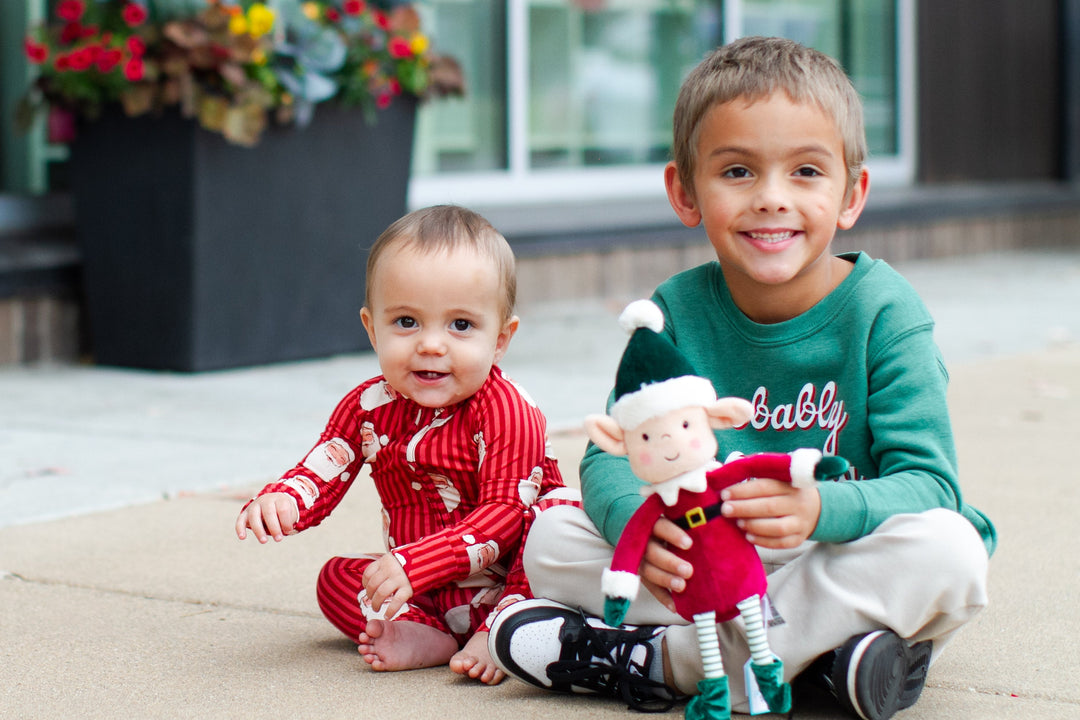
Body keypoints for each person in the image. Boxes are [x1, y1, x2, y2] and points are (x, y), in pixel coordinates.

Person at [489, 36, 996, 720]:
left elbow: (931, 484)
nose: (771, 199)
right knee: (554, 537)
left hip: (836, 550)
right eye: (737, 172)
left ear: (852, 194)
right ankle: (829, 661)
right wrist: (643, 530)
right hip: (707, 558)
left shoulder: (885, 312)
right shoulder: (674, 311)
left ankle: (667, 663)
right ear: (685, 191)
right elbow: (611, 456)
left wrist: (822, 510)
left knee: (952, 551)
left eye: (807, 172)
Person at [236, 205, 575, 685]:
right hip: (421, 584)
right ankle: (424, 630)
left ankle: (505, 623)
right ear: (372, 328)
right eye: (407, 322)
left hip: (508, 577)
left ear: (500, 340)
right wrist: (286, 498)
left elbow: (502, 517)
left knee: (556, 515)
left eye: (460, 325)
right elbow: (324, 466)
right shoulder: (369, 406)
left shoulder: (505, 408)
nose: (431, 345)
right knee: (336, 579)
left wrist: (417, 563)